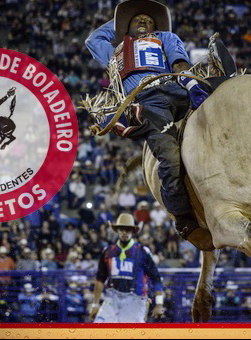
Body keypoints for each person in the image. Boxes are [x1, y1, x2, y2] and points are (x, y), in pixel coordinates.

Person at [85, 0, 223, 251]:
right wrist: (120, 24)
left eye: (149, 20)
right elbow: (93, 40)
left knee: (223, 102)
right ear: (126, 25)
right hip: (145, 100)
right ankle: (184, 221)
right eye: (137, 19)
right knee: (169, 157)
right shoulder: (114, 50)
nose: (143, 22)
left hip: (175, 87)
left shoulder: (165, 37)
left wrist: (191, 85)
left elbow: (180, 63)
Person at [90, 213, 165, 323]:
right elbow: (100, 278)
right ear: (117, 231)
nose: (124, 233)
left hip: (135, 299)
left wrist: (159, 303)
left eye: (128, 230)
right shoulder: (108, 252)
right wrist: (95, 304)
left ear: (132, 232)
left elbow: (156, 278)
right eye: (122, 229)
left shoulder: (142, 252)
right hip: (111, 298)